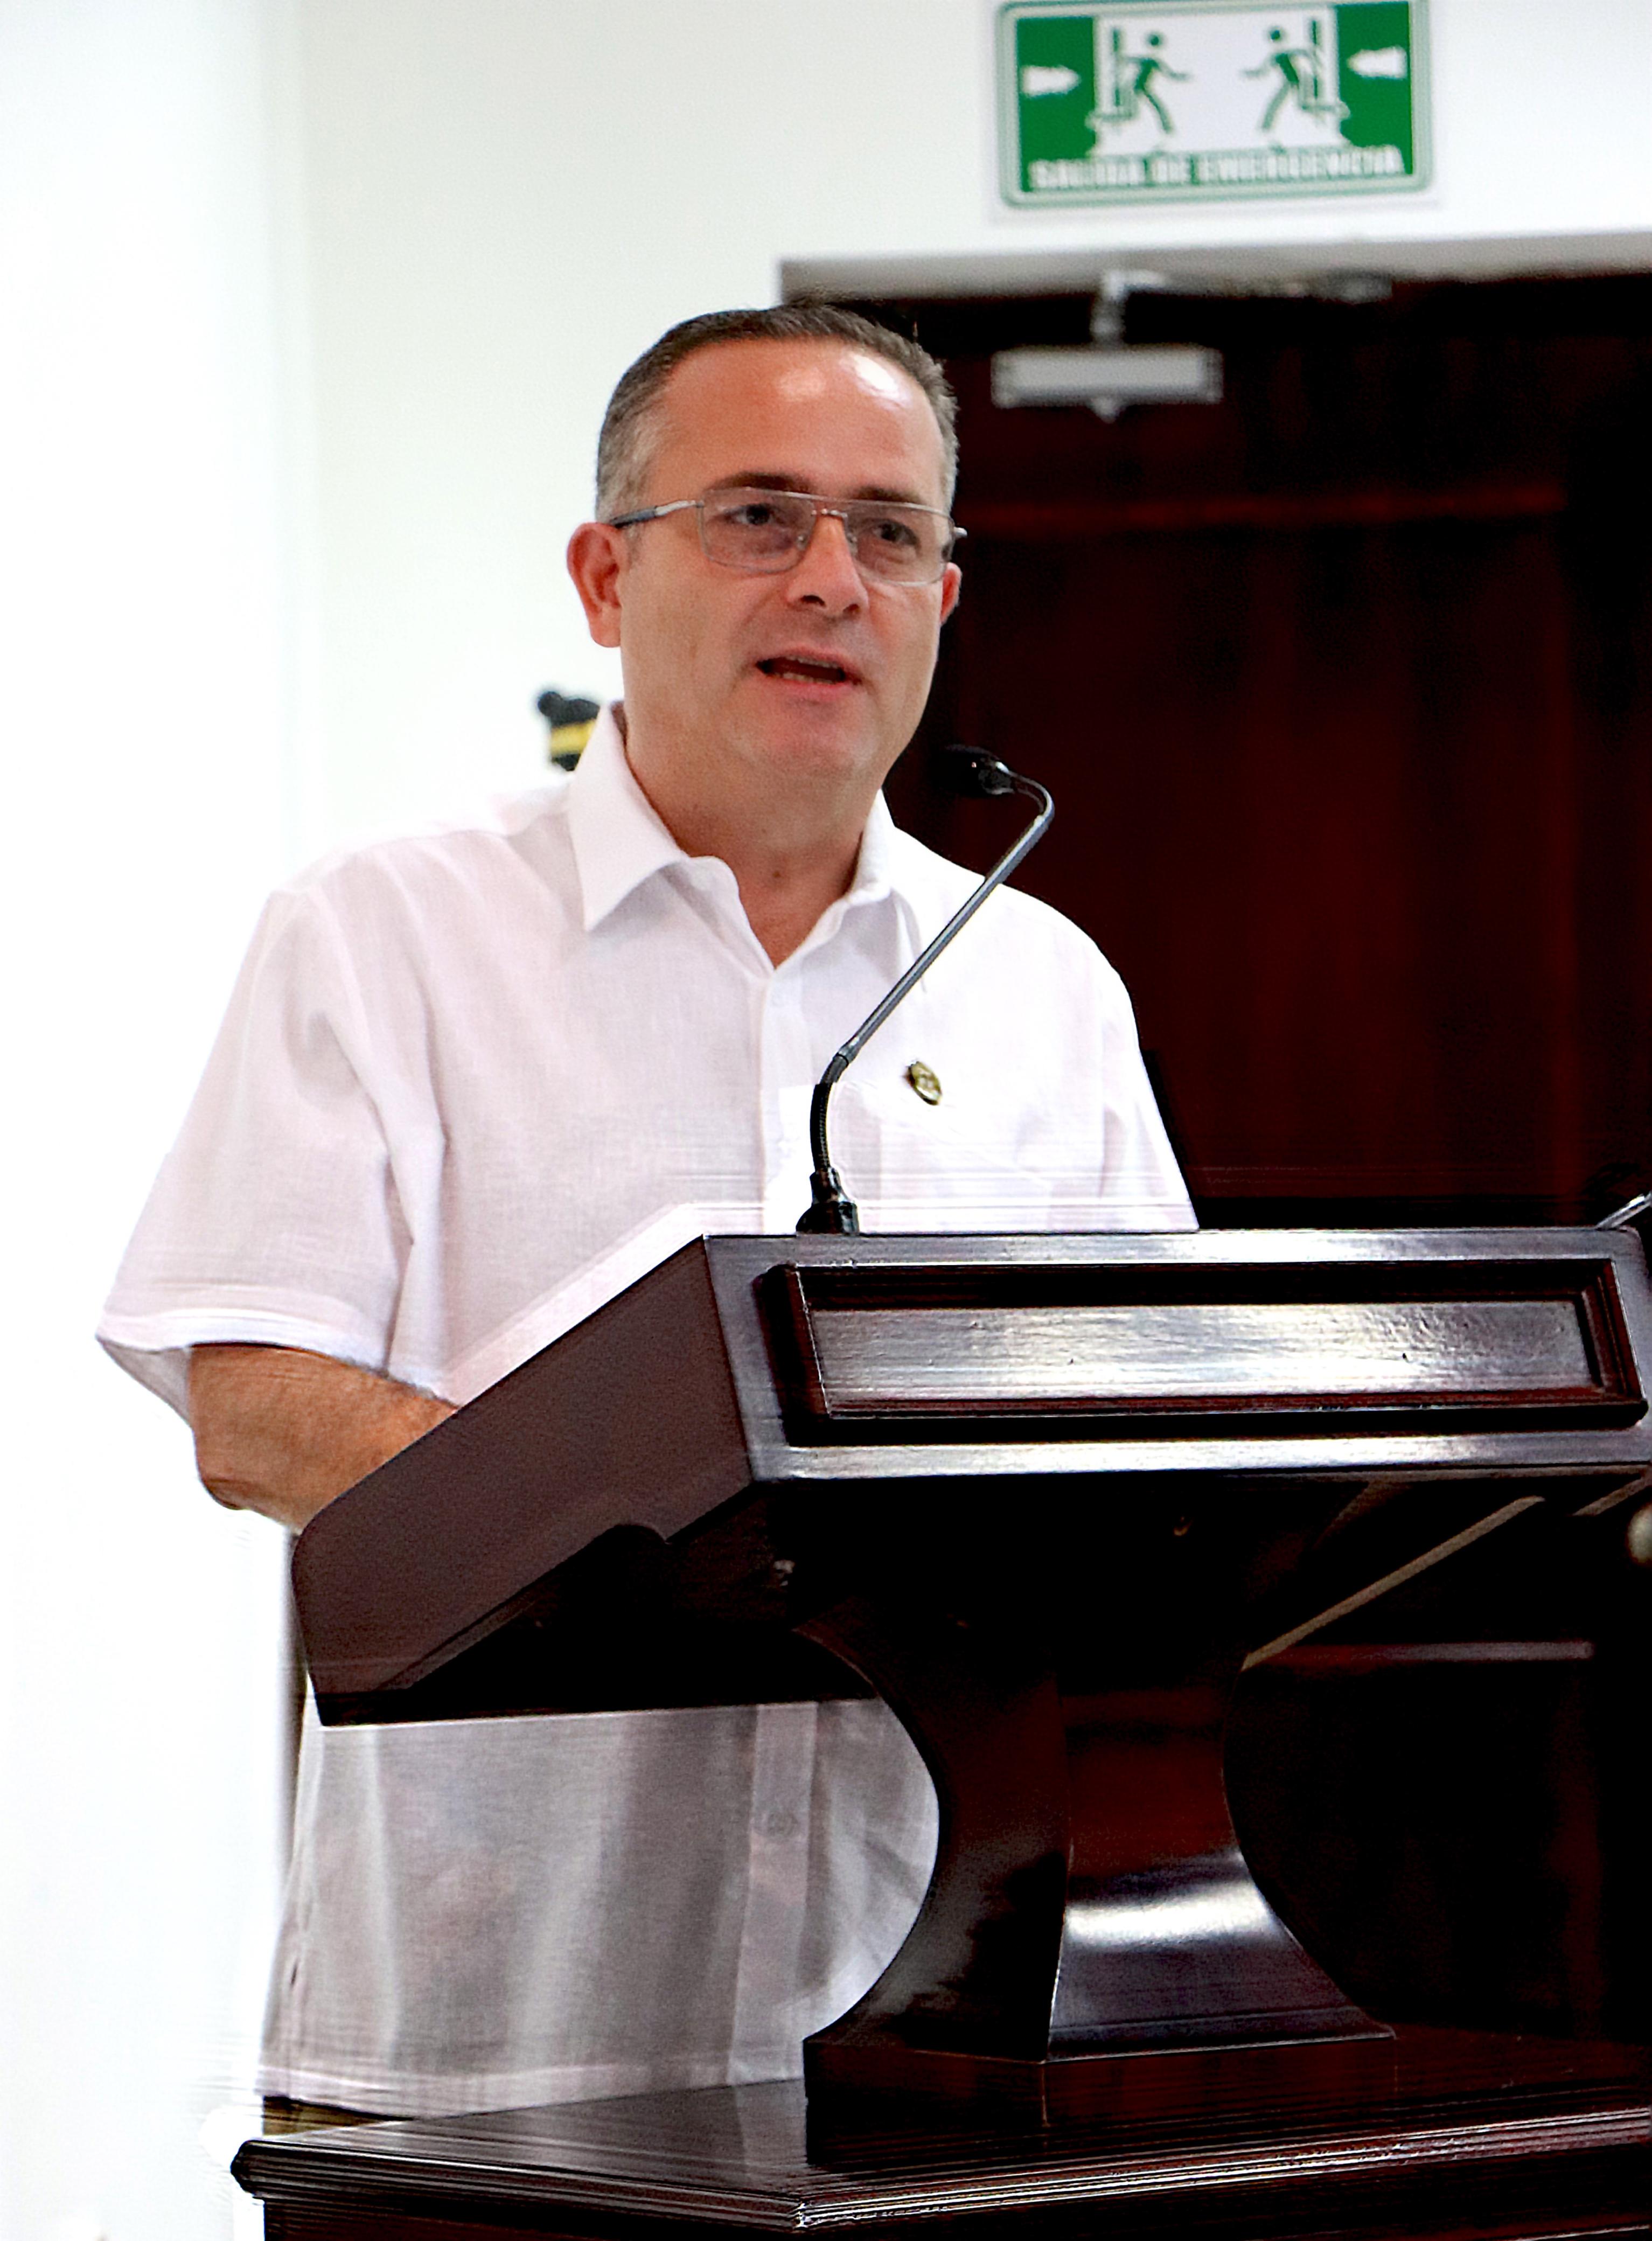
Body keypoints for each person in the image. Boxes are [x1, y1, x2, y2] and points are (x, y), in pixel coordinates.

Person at [99, 304, 1194, 2120]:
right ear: (606, 578)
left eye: (888, 531)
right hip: (496, 2009)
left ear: (940, 600)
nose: (830, 577)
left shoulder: (1037, 981)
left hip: (933, 2006)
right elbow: (259, 1407)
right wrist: (672, 1566)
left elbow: (1154, 1433)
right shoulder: (386, 931)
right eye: (759, 515)